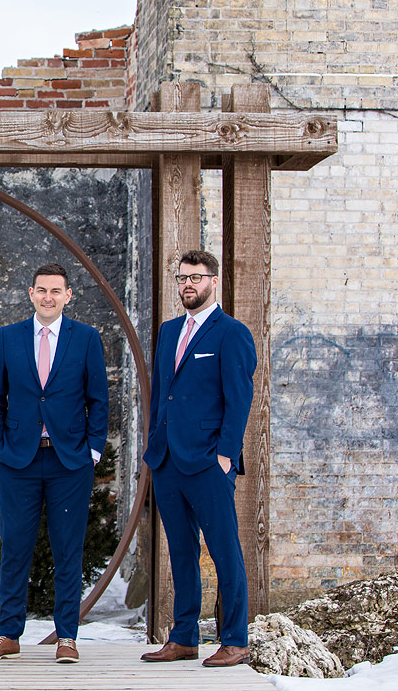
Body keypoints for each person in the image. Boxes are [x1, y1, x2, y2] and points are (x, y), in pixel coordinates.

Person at [0, 263, 109, 665]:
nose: (48, 297)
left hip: (71, 461)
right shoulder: (9, 337)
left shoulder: (85, 338)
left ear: (68, 296)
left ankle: (66, 636)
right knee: (15, 546)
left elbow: (98, 398)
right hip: (18, 459)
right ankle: (7, 633)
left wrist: (93, 450)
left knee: (68, 549)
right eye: (41, 290)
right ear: (30, 294)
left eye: (56, 291)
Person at [140, 249, 256, 668]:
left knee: (224, 550)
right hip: (168, 461)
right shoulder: (169, 331)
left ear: (213, 281)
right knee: (180, 552)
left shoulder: (232, 333)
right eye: (182, 278)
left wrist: (225, 455)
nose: (188, 285)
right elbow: (161, 395)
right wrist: (154, 446)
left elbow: (239, 400)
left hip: (209, 461)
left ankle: (236, 639)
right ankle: (184, 636)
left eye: (196, 278)